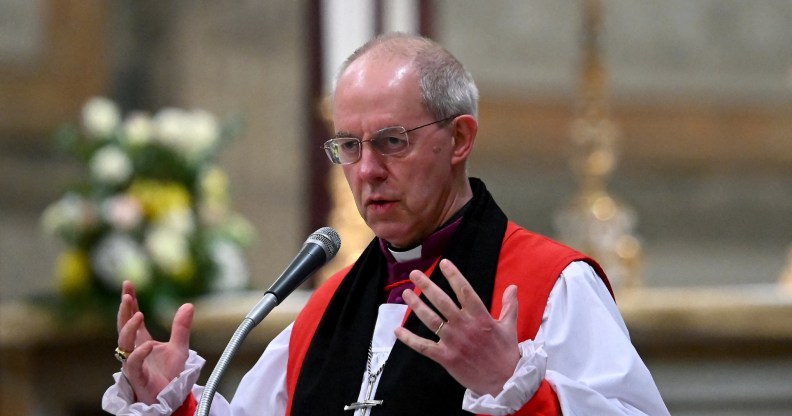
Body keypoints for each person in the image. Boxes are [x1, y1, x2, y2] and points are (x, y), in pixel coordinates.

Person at [103, 32, 669, 415]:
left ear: (460, 138)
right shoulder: (324, 313)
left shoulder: (549, 284)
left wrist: (515, 389)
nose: (367, 171)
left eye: (392, 142)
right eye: (349, 146)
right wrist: (175, 402)